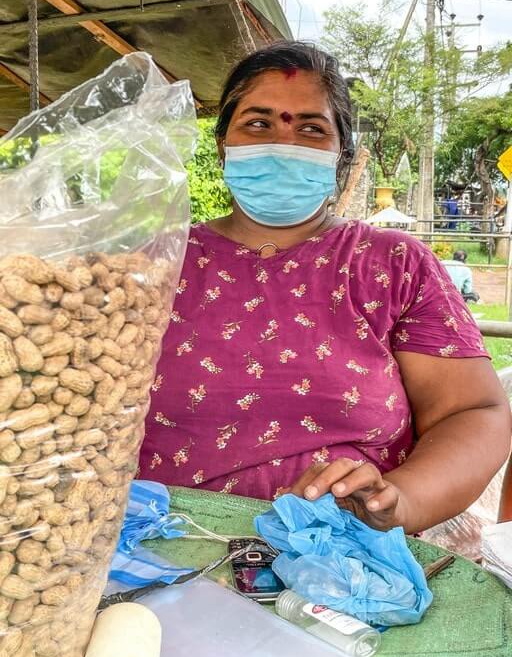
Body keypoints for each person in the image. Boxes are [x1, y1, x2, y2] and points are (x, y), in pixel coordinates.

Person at [139, 42, 510, 535]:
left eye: (312, 129)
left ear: (341, 157)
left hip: (346, 561)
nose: (282, 143)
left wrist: (400, 501)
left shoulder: (394, 264)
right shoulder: (154, 263)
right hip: (156, 550)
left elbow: (473, 412)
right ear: (222, 145)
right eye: (258, 122)